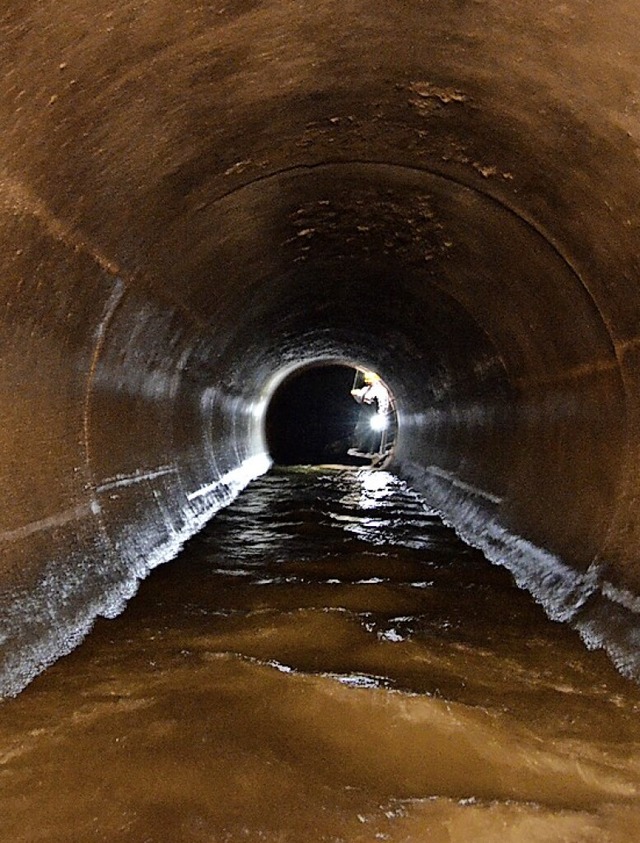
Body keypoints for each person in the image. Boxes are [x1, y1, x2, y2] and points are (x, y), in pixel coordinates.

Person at [350, 371, 390, 456]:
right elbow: (360, 399)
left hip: (373, 412)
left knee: (373, 432)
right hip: (364, 413)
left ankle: (372, 450)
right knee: (361, 430)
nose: (366, 380)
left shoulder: (380, 390)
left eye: (368, 379)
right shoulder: (366, 389)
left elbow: (383, 403)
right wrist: (355, 394)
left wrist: (381, 414)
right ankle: (362, 447)